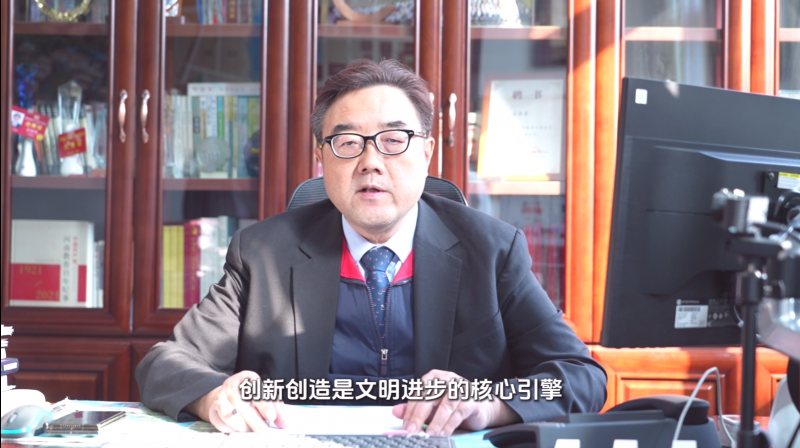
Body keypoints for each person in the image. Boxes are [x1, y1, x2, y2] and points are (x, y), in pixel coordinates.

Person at [136, 59, 607, 436]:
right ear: (321, 157)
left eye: (393, 140)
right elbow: (164, 364)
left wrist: (487, 402)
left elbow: (580, 376)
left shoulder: (491, 250)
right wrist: (215, 396)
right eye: (347, 142)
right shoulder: (264, 254)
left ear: (426, 153)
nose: (371, 162)